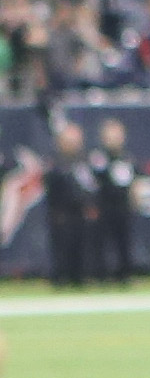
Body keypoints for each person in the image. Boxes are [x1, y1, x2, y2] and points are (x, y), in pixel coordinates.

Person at [43, 122, 96, 288]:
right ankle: (60, 277)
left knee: (80, 245)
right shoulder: (55, 163)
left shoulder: (84, 162)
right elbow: (51, 187)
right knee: (62, 246)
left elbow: (90, 186)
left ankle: (78, 276)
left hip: (80, 211)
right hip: (62, 212)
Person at [88, 117, 136, 284]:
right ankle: (100, 275)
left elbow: (133, 180)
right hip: (104, 206)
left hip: (122, 207)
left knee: (123, 242)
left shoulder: (127, 157)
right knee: (101, 243)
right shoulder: (98, 157)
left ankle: (124, 274)